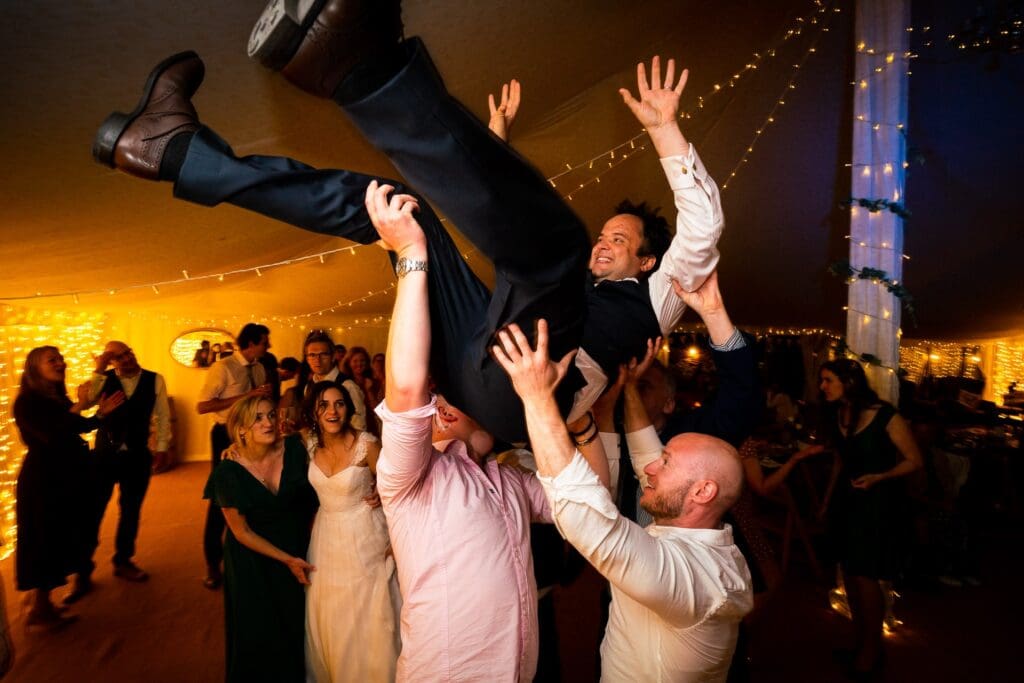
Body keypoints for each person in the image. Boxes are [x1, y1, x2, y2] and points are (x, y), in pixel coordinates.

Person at [94, 14, 722, 443]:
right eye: (605, 235)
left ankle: (361, 69)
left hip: (525, 400)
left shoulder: (662, 294)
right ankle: (176, 152)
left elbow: (701, 230)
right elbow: (504, 228)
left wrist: (664, 129)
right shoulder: (556, 287)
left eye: (620, 241)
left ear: (648, 262)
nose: (603, 244)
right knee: (399, 210)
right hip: (482, 348)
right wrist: (493, 142)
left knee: (556, 246)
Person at [365, 180, 611, 680]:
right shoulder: (410, 479)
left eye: (452, 394)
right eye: (439, 399)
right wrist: (411, 256)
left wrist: (578, 419)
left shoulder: (511, 480)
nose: (441, 404)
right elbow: (407, 388)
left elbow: (592, 501)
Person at [492, 305, 754, 682]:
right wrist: (627, 387)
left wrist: (537, 398)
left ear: (703, 491)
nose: (650, 468)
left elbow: (590, 522)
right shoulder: (700, 536)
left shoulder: (696, 579)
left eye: (666, 463)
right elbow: (645, 452)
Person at [818, 359, 923, 679]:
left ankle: (872, 650)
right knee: (849, 574)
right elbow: (840, 462)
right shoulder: (839, 414)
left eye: (828, 380)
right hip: (846, 502)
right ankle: (861, 641)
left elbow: (914, 460)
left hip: (876, 504)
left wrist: (880, 476)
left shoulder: (885, 415)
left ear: (849, 382)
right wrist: (826, 502)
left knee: (866, 576)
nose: (823, 387)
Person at [203, 395, 318, 683]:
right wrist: (287, 560)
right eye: (257, 418)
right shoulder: (227, 472)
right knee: (257, 629)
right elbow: (241, 532)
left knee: (294, 621)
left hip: (294, 545)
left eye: (270, 415)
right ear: (240, 429)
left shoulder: (294, 448)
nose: (268, 423)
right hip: (252, 559)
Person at [12, 347, 124, 628]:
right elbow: (53, 433)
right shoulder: (27, 402)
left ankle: (43, 603)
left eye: (60, 358)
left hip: (65, 477)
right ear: (34, 368)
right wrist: (81, 403)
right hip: (43, 481)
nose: (60, 363)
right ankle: (39, 610)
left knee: (60, 539)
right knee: (44, 541)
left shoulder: (55, 396)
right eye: (52, 359)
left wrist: (100, 415)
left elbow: (77, 426)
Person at [302, 380, 400, 682]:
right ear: (314, 412)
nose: (332, 412)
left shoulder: (366, 444)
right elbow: (265, 445)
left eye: (339, 403)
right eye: (324, 405)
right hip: (326, 538)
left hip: (365, 535)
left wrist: (382, 492)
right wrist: (234, 449)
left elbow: (397, 489)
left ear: (349, 408)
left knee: (369, 612)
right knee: (333, 612)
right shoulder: (308, 443)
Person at [72, 341, 171, 600]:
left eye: (128, 353)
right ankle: (83, 570)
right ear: (111, 361)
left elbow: (162, 415)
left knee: (130, 510)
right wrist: (100, 367)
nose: (127, 358)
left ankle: (123, 560)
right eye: (118, 357)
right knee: (92, 512)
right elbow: (86, 402)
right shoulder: (102, 379)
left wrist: (162, 447)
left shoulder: (155, 379)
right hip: (104, 456)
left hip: (137, 456)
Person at [196, 322, 273, 589]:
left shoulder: (259, 368)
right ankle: (212, 563)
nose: (268, 346)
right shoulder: (223, 367)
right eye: (264, 342)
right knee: (223, 497)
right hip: (225, 435)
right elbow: (202, 406)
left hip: (252, 436)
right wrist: (247, 395)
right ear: (250, 343)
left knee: (252, 492)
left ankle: (248, 558)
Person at [302, 330, 369, 432]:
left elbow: (359, 426)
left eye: (323, 354)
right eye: (312, 355)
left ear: (333, 356)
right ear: (307, 359)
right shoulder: (309, 387)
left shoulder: (347, 386)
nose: (317, 360)